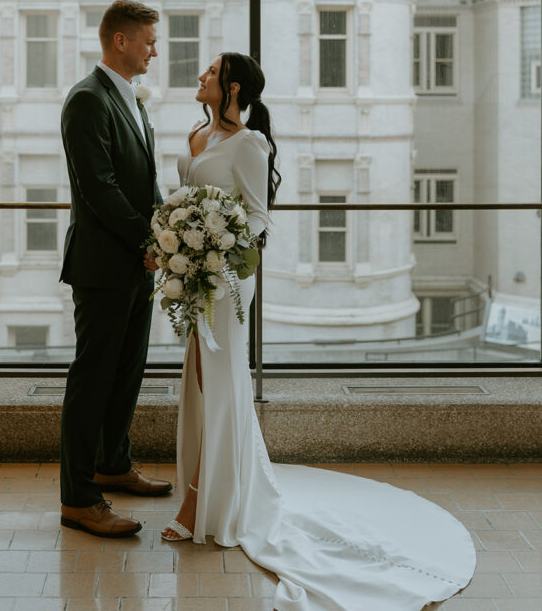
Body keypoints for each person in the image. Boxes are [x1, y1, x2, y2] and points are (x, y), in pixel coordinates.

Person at [161, 52, 476, 610]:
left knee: (223, 386)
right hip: (192, 276)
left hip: (228, 279)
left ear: (232, 87)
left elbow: (257, 219)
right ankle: (203, 493)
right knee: (200, 384)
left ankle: (202, 506)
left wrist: (213, 251)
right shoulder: (194, 136)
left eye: (210, 72)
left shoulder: (250, 145)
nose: (200, 77)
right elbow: (181, 202)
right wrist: (176, 242)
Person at [59, 0, 172, 539]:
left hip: (137, 261)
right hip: (103, 265)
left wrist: (161, 238)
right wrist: (146, 239)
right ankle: (80, 498)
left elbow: (143, 179)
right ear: (120, 41)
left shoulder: (132, 99)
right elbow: (97, 187)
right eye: (148, 40)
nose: (155, 49)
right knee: (93, 378)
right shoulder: (86, 100)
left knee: (127, 372)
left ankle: (112, 464)